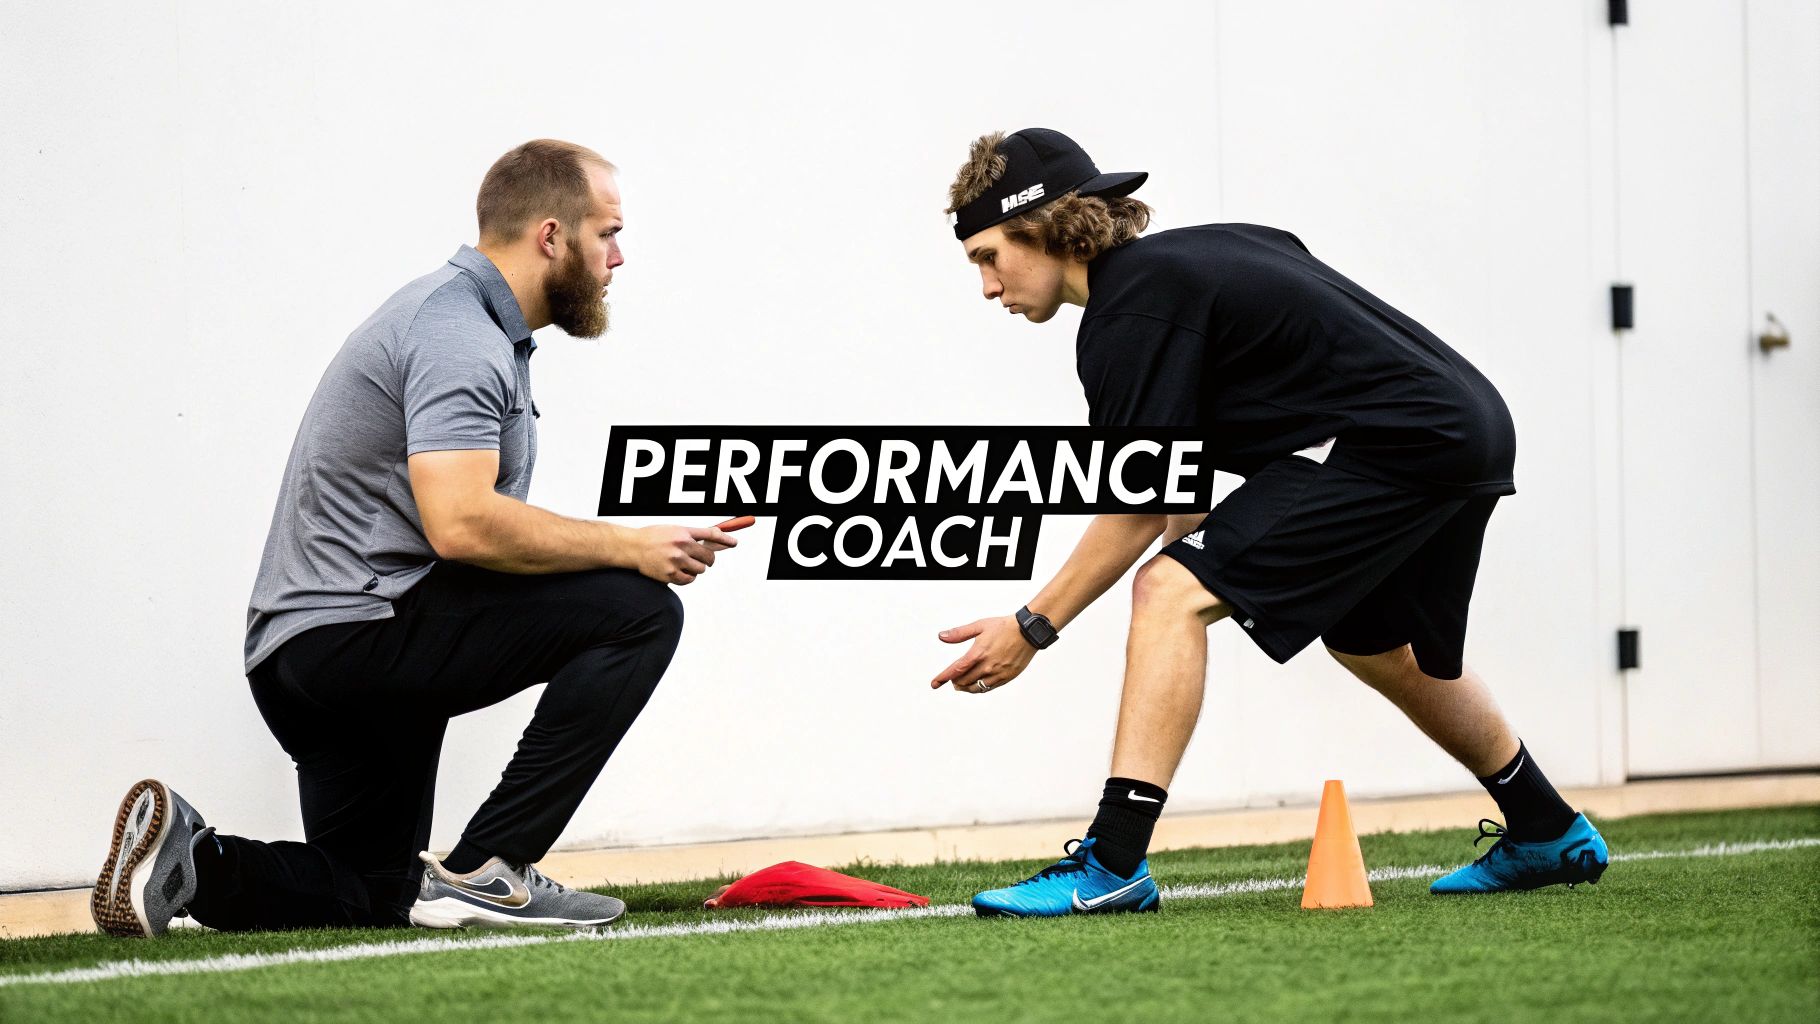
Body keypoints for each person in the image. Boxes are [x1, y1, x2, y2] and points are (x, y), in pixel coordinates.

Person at [930, 128, 1609, 918]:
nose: (987, 287)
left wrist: (1033, 624)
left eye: (987, 257)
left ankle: (1111, 861)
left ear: (1044, 226)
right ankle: (1545, 826)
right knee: (1371, 643)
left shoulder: (1134, 309)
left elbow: (1136, 501)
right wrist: (1188, 573)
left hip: (1395, 441)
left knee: (1166, 589)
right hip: (1460, 424)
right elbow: (1175, 474)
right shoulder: (1181, 268)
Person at [91, 139, 746, 937]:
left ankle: (191, 862)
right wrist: (630, 547)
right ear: (551, 236)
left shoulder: (462, 323)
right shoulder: (456, 332)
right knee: (639, 609)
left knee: (375, 893)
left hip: (304, 656)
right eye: (606, 233)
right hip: (362, 636)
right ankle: (491, 869)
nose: (619, 256)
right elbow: (462, 523)